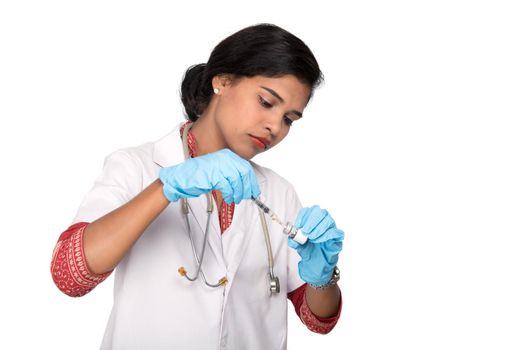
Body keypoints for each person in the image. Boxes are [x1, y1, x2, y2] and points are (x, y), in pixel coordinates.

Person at [50, 23, 345, 350]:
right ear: (222, 80)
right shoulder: (138, 166)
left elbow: (318, 319)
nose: (275, 126)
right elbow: (69, 276)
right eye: (265, 101)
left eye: (289, 118)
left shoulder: (279, 192)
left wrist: (323, 277)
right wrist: (165, 187)